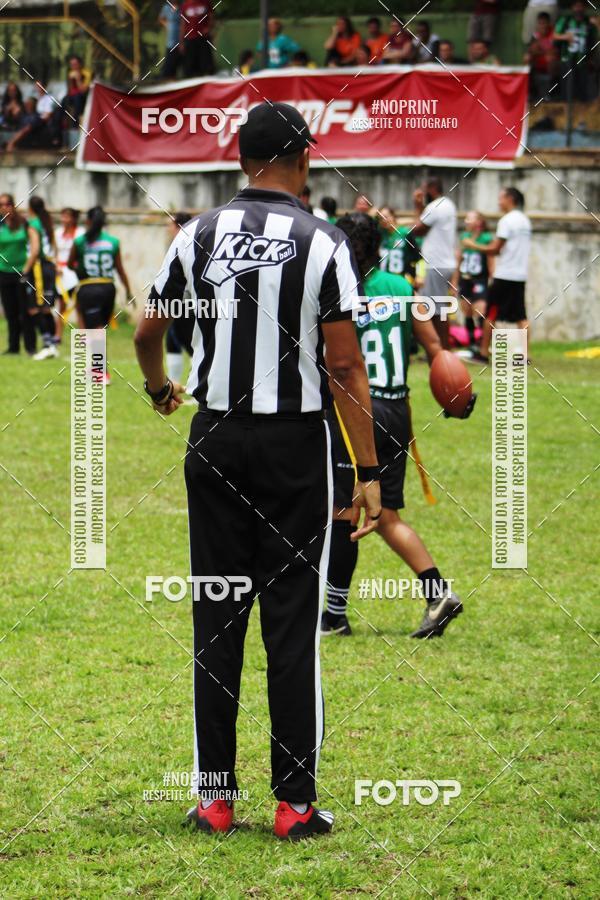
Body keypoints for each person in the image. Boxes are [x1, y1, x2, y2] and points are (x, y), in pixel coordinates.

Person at [134, 101, 382, 840]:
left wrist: (158, 388)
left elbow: (149, 329)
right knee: (291, 622)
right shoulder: (326, 241)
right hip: (294, 449)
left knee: (216, 617)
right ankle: (294, 805)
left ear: (243, 159)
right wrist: (368, 468)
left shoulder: (196, 235)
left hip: (213, 439)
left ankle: (214, 801)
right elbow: (343, 363)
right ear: (302, 157)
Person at [321, 212, 472, 640]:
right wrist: (456, 391)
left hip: (357, 412)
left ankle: (333, 616)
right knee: (385, 514)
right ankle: (437, 592)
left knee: (344, 512)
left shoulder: (336, 290)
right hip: (397, 411)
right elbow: (436, 349)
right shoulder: (404, 288)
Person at [68, 206, 132, 381]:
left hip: (89, 287)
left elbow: (69, 263)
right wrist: (128, 290)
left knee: (94, 330)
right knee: (97, 329)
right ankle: (94, 368)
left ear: (88, 221)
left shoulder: (81, 241)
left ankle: (101, 372)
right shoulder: (113, 241)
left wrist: (81, 270)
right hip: (108, 287)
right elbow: (120, 269)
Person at [467, 188, 532, 363]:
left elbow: (495, 248)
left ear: (510, 199)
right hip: (520, 275)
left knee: (490, 314)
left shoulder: (507, 220)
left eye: (500, 198)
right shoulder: (525, 220)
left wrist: (473, 245)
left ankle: (483, 354)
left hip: (505, 275)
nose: (498, 202)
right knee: (521, 316)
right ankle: (525, 355)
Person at [411, 177, 457, 349]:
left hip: (436, 264)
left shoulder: (434, 207)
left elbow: (418, 229)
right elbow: (426, 220)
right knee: (438, 307)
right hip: (445, 262)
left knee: (435, 310)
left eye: (424, 189)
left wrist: (417, 207)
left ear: (431, 189)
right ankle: (442, 348)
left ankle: (442, 350)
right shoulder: (447, 204)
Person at [21, 196, 59, 360]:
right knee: (45, 307)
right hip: (49, 266)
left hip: (38, 268)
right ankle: (52, 344)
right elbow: (54, 247)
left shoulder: (33, 224)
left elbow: (35, 249)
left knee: (34, 307)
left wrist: (25, 270)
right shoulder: (47, 222)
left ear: (30, 208)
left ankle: (48, 344)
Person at [0, 193, 36, 354]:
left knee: (26, 311)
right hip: (4, 273)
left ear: (13, 206)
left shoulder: (24, 224)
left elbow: (35, 248)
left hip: (23, 272)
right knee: (10, 312)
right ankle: (13, 347)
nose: (4, 207)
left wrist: (26, 270)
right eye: (1, 205)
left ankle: (30, 347)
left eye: (7, 204)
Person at [456, 210, 494, 352]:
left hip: (480, 279)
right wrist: (455, 280)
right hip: (465, 278)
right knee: (466, 309)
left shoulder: (486, 238)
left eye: (469, 218)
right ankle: (472, 343)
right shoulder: (464, 236)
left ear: (479, 222)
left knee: (480, 310)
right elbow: (459, 259)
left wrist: (492, 279)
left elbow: (490, 259)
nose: (466, 221)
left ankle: (483, 343)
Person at [164, 211, 194, 385]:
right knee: (172, 342)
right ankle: (174, 385)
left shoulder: (185, 244)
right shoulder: (180, 244)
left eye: (170, 225)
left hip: (186, 302)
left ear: (178, 226)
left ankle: (197, 389)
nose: (168, 229)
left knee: (192, 346)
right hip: (178, 302)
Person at [554, 0, 599, 101]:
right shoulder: (565, 20)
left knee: (582, 94)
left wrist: (596, 25)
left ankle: (582, 114)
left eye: (581, 6)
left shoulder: (589, 23)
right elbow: (555, 36)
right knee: (567, 92)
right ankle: (567, 114)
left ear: (585, 8)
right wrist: (565, 37)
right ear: (572, 8)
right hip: (567, 60)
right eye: (576, 6)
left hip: (583, 62)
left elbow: (594, 42)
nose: (578, 9)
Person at [54, 207, 84, 344]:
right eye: (63, 216)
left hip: (75, 273)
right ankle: (58, 335)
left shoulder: (80, 234)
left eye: (67, 217)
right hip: (61, 274)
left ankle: (81, 335)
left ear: (73, 219)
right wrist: (56, 266)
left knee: (79, 306)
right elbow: (53, 252)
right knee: (61, 305)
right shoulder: (58, 233)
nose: (64, 220)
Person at [378, 205, 421, 284]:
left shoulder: (405, 233)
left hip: (401, 279)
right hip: (383, 280)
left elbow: (418, 255)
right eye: (381, 218)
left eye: (386, 217)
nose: (384, 220)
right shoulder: (380, 234)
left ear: (393, 216)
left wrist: (419, 275)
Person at [524, 12, 559, 101]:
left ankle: (551, 94)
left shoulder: (554, 34)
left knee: (551, 59)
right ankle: (530, 95)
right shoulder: (535, 35)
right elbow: (531, 51)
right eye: (540, 23)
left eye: (544, 23)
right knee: (527, 59)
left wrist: (541, 51)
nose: (542, 26)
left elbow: (555, 51)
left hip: (552, 65)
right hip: (538, 64)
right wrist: (542, 52)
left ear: (549, 24)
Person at [179, 0, 215, 78]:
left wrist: (209, 28)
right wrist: (181, 42)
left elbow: (211, 16)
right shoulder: (185, 4)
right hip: (190, 39)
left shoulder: (206, 2)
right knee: (190, 69)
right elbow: (183, 24)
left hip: (203, 39)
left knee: (207, 67)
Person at [159, 0, 181, 79]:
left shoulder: (182, 8)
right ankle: (167, 77)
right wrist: (167, 25)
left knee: (179, 59)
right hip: (170, 40)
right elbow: (161, 18)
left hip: (181, 39)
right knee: (170, 60)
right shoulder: (166, 8)